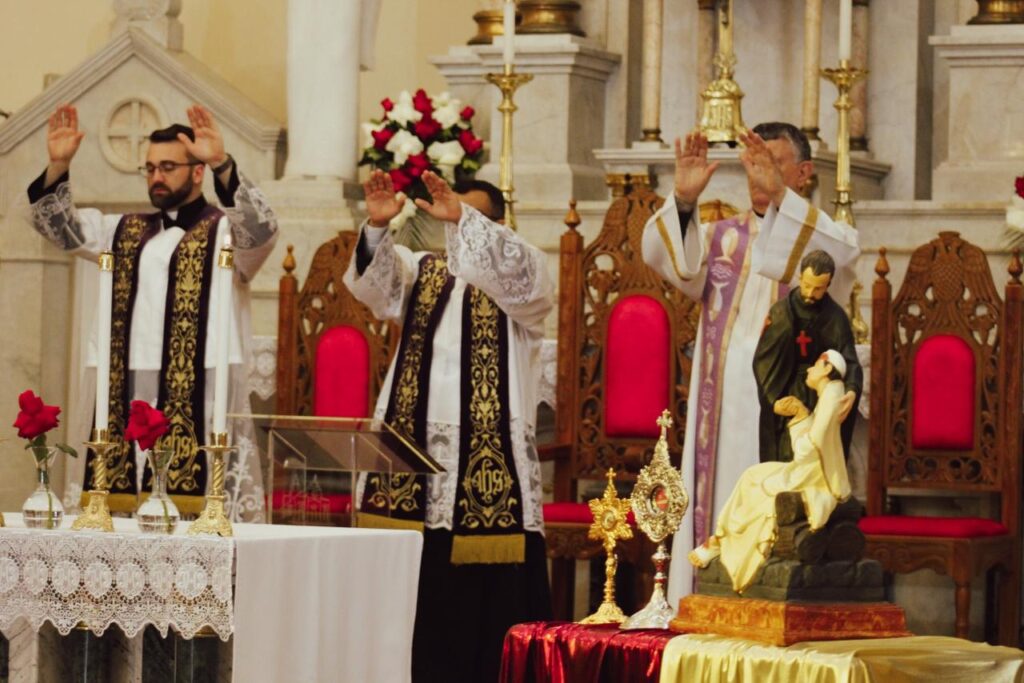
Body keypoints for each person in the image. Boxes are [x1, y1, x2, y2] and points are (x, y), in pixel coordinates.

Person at [345, 169, 553, 682]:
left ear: (498, 224)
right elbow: (376, 289)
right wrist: (377, 227)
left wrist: (465, 219)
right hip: (415, 455)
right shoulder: (422, 269)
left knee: (485, 604)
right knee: (418, 595)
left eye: (470, 215)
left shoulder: (523, 273)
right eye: (450, 213)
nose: (453, 220)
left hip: (487, 465)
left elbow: (522, 278)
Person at [641, 123, 859, 603]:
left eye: (773, 162)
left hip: (789, 414)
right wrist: (683, 199)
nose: (759, 173)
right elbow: (663, 255)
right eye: (753, 162)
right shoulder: (721, 238)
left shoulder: (825, 236)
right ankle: (710, 606)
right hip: (721, 416)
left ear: (804, 172)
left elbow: (840, 258)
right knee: (721, 504)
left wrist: (781, 197)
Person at [27, 103, 277, 521]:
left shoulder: (226, 231)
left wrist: (223, 163)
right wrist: (58, 166)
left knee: (200, 489)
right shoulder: (121, 228)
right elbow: (59, 228)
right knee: (125, 491)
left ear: (197, 172)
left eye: (168, 167)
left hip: (202, 379)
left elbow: (262, 230)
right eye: (150, 168)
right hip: (127, 378)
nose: (156, 176)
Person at [688, 350, 852, 593]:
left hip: (814, 477)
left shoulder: (831, 396)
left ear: (827, 368)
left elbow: (810, 448)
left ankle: (721, 542)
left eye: (815, 365)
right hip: (807, 470)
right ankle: (720, 539)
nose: (809, 369)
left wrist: (800, 418)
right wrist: (802, 413)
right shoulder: (829, 393)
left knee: (758, 489)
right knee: (752, 475)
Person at [754, 248, 862, 463]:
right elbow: (763, 361)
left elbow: (850, 360)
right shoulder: (781, 313)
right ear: (800, 277)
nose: (811, 293)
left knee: (817, 459)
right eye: (807, 285)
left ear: (828, 284)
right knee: (786, 456)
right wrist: (772, 401)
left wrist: (851, 390)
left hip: (821, 396)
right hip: (786, 390)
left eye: (818, 288)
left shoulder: (835, 317)